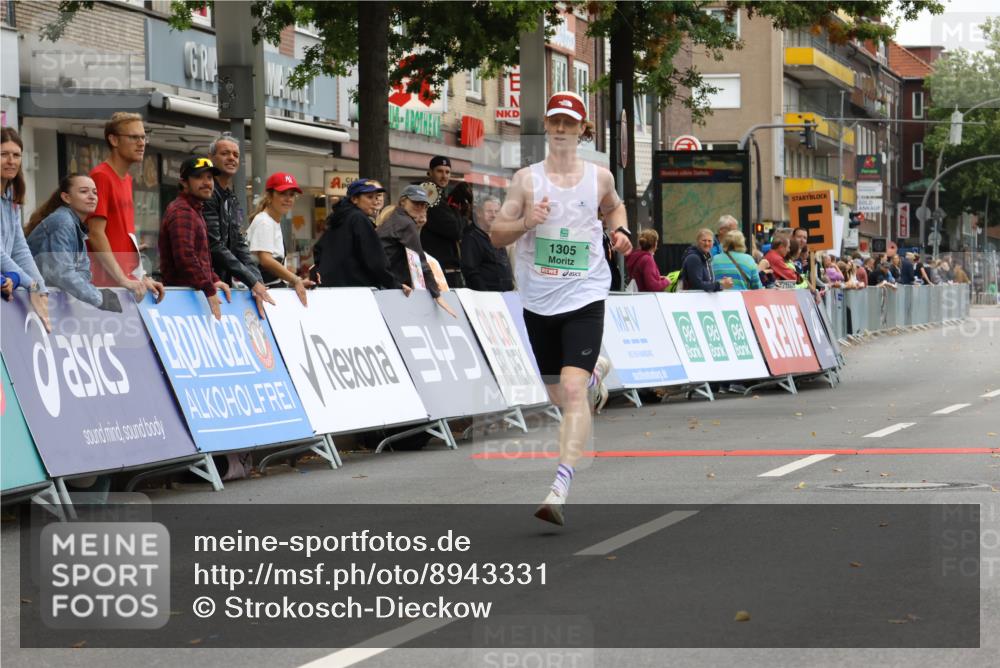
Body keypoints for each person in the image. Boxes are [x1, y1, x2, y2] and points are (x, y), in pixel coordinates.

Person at [490, 91, 632, 526]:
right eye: (555, 121)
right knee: (558, 394)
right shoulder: (527, 180)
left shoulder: (600, 178)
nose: (562, 128)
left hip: (585, 293)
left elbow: (613, 208)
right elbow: (497, 234)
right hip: (538, 299)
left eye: (570, 123)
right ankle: (596, 370)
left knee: (571, 393)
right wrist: (526, 222)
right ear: (547, 126)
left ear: (582, 129)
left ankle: (560, 487)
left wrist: (621, 229)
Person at [86, 112, 164, 303]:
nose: (141, 143)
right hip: (104, 287)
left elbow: (123, 237)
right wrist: (122, 278)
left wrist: (141, 277)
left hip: (124, 286)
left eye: (144, 137)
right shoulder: (101, 176)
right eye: (134, 137)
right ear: (113, 140)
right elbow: (96, 234)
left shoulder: (127, 179)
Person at [24, 174, 121, 312]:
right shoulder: (63, 221)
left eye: (95, 192)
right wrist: (99, 298)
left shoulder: (75, 224)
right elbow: (62, 273)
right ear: (66, 197)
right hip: (29, 301)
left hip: (47, 300)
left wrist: (77, 285)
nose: (92, 196)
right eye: (84, 191)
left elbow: (84, 272)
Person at [203, 132, 274, 317]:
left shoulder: (230, 196)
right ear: (211, 158)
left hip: (222, 285)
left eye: (236, 155)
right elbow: (215, 246)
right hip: (204, 285)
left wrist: (257, 282)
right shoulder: (207, 195)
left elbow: (240, 244)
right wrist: (252, 281)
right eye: (225, 153)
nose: (232, 158)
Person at [158, 157, 232, 320]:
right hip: (182, 304)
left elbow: (199, 258)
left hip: (190, 300)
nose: (207, 182)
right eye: (199, 177)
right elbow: (186, 258)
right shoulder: (182, 212)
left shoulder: (193, 210)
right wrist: (209, 288)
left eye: (210, 177)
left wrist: (213, 279)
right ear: (184, 182)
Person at [312, 178, 412, 293]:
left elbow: (318, 250)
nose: (375, 202)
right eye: (369, 197)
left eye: (376, 197)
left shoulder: (338, 218)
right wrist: (394, 284)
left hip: (330, 289)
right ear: (354, 199)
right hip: (357, 291)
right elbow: (375, 261)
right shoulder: (358, 219)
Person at [376, 185, 457, 316]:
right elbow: (420, 261)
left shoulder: (394, 218)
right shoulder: (406, 223)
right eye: (415, 203)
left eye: (423, 205)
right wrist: (437, 294)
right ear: (403, 201)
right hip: (386, 285)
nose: (420, 208)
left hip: (379, 282)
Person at [1, 127, 51, 331]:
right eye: (3, 154)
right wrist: (30, 284)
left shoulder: (11, 192)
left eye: (16, 155)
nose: (11, 161)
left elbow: (19, 248)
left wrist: (40, 288)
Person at [245, 172, 315, 306]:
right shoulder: (264, 222)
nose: (288, 199)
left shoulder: (273, 221)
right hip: (258, 296)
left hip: (266, 292)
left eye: (292, 195)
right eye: (283, 193)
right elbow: (266, 260)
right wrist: (295, 280)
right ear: (270, 196)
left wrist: (294, 281)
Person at [420, 156, 467, 288]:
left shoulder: (441, 197)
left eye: (447, 172)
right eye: (439, 171)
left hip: (446, 269)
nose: (444, 176)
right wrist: (456, 208)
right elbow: (456, 230)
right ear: (430, 172)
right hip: (439, 270)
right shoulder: (429, 196)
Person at [460, 195, 514, 291]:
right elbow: (471, 271)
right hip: (487, 298)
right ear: (479, 213)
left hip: (506, 296)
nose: (494, 215)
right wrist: (485, 295)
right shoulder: (471, 237)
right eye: (489, 211)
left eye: (497, 212)